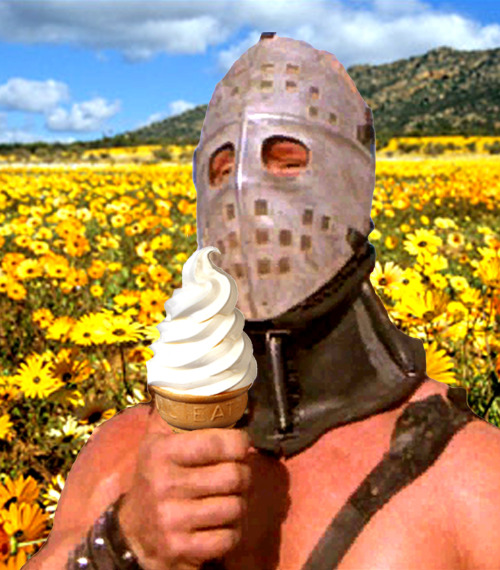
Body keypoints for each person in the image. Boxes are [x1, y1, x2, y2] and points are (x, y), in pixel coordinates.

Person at [26, 33, 500, 570]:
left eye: (286, 162)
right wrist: (127, 543)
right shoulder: (126, 455)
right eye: (223, 170)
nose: (246, 191)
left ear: (352, 183)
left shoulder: (470, 479)